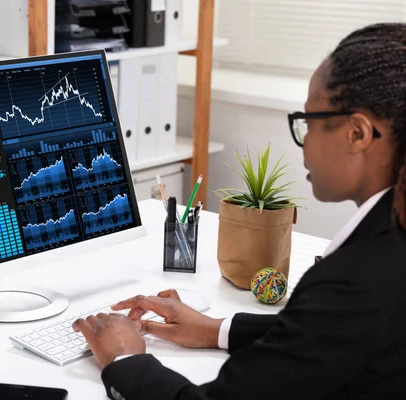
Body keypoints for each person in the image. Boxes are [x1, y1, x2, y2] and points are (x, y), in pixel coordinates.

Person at [72, 23, 406, 399]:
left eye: (307, 121)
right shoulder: (387, 245)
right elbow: (330, 335)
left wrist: (124, 359)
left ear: (358, 134)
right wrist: (217, 329)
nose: (304, 142)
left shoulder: (356, 281)